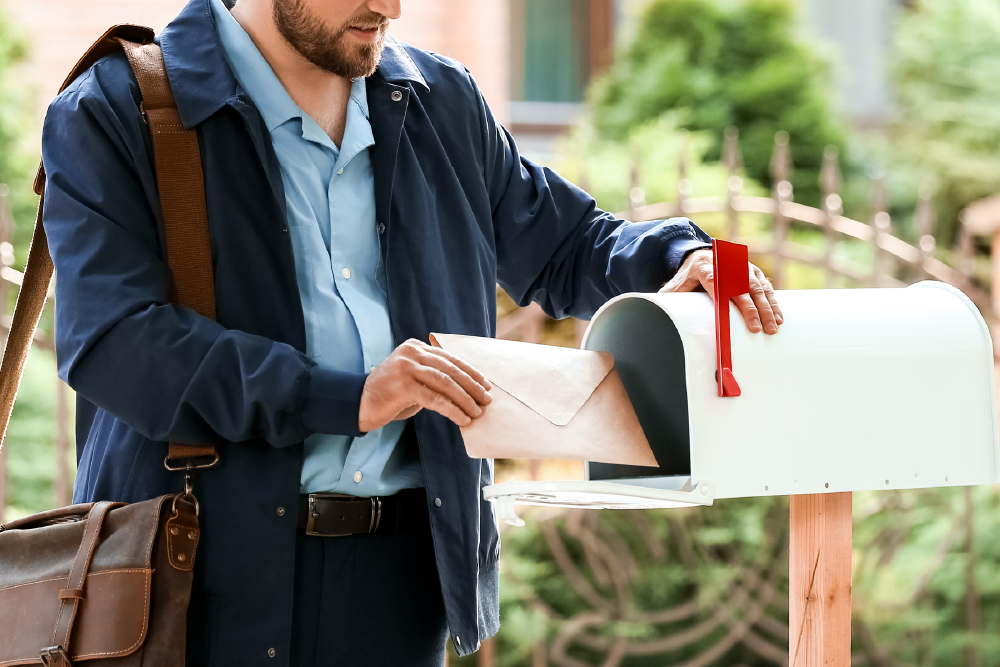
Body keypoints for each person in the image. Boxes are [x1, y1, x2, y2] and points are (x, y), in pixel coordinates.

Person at [40, 0, 783, 664]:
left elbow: (564, 245)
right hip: (194, 583)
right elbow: (117, 341)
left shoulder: (439, 101)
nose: (388, 7)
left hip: (402, 588)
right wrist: (345, 397)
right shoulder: (114, 111)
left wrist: (676, 256)